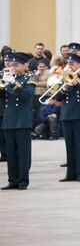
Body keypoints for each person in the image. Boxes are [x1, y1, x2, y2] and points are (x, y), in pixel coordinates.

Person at [55, 53, 80, 182]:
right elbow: (58, 98)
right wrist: (65, 87)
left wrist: (76, 80)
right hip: (66, 114)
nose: (70, 66)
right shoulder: (65, 77)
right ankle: (70, 174)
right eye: (69, 64)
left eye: (72, 64)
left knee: (79, 146)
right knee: (69, 146)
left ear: (79, 64)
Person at [1, 52, 36, 190]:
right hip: (9, 119)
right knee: (10, 152)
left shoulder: (29, 78)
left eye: (16, 65)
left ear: (25, 65)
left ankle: (23, 181)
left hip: (22, 119)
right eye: (12, 64)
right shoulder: (8, 77)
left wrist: (13, 82)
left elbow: (26, 96)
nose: (13, 67)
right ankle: (12, 180)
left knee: (23, 152)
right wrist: (4, 81)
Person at [32, 60, 50, 130]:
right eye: (40, 66)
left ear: (45, 67)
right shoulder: (35, 74)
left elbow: (48, 83)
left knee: (44, 112)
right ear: (37, 67)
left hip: (46, 95)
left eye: (43, 66)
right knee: (37, 112)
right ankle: (37, 129)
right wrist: (36, 75)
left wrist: (37, 84)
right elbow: (31, 82)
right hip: (36, 95)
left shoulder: (49, 73)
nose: (41, 68)